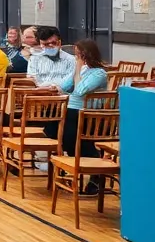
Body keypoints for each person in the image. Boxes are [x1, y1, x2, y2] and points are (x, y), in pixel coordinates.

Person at [44, 39, 109, 182]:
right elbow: (65, 85)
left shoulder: (99, 73)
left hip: (87, 113)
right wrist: (55, 87)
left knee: (70, 134)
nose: (76, 57)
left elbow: (80, 91)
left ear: (86, 54)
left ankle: (94, 169)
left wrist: (78, 68)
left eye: (78, 54)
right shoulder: (82, 69)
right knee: (52, 123)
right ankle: (72, 159)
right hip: (71, 109)